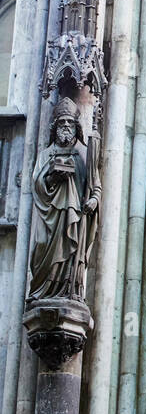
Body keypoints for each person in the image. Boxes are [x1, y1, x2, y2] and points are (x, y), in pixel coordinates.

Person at [28, 97, 100, 302]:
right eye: (62, 123)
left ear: (76, 126)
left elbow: (96, 186)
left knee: (71, 251)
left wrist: (93, 200)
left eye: (69, 122)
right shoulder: (45, 155)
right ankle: (42, 291)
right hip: (50, 214)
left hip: (74, 216)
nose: (66, 126)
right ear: (55, 127)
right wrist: (51, 177)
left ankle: (70, 291)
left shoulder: (85, 154)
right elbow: (36, 185)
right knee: (41, 244)